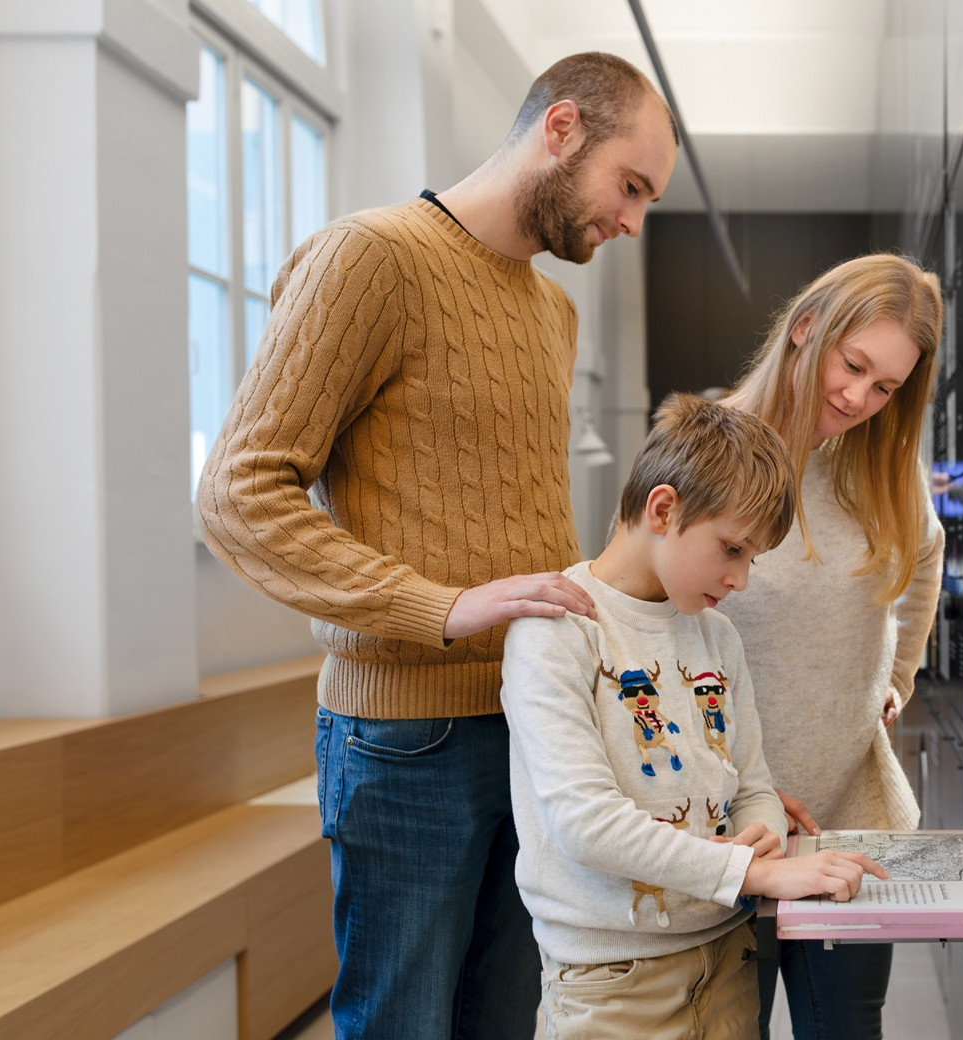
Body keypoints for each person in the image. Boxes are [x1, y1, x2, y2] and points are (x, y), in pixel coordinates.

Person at [196, 52, 678, 1039]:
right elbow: (238, 491)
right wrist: (441, 606)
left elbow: (518, 515)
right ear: (560, 128)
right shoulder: (369, 259)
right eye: (630, 186)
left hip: (537, 728)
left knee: (506, 1022)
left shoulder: (554, 311)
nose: (632, 222)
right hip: (406, 739)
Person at [500, 395, 889, 1040]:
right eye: (731, 549)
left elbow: (754, 784)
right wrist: (753, 871)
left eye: (752, 559)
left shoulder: (717, 636)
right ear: (663, 508)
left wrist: (760, 830)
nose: (740, 578)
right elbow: (583, 823)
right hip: (614, 977)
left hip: (728, 956)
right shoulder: (556, 631)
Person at [715, 253, 946, 1039]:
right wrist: (734, 781)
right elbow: (644, 630)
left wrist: (898, 675)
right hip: (727, 830)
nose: (859, 398)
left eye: (886, 387)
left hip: (851, 816)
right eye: (853, 367)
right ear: (807, 327)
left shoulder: (881, 464)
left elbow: (925, 553)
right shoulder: (708, 450)